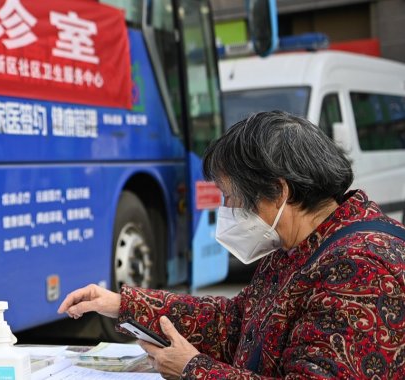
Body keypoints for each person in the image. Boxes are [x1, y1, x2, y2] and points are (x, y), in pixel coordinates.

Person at [58, 111, 405, 379]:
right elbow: (236, 323)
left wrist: (193, 369)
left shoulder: (363, 267)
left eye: (231, 197)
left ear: (279, 191)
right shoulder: (301, 246)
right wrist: (124, 305)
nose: (227, 211)